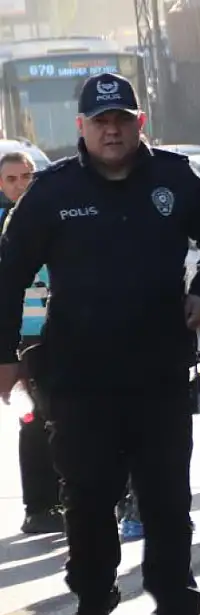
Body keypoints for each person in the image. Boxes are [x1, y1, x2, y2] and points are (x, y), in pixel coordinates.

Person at [0, 72, 200, 615]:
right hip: (81, 378)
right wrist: (6, 357)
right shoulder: (54, 190)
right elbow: (8, 275)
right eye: (100, 122)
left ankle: (175, 598)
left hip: (161, 372)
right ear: (81, 127)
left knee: (167, 498)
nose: (112, 131)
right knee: (86, 496)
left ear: (139, 124)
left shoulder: (175, 179)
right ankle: (93, 593)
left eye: (121, 121)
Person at [0, 151, 63, 535]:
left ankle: (63, 498)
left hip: (59, 331)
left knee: (66, 416)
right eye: (11, 179)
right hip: (24, 337)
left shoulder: (47, 218)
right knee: (36, 418)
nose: (21, 184)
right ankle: (39, 506)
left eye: (26, 176)